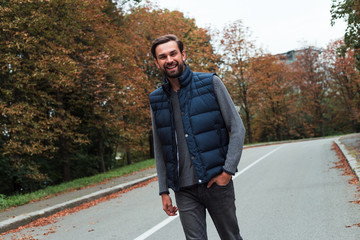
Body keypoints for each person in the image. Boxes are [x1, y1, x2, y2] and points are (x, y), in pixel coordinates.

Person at [149, 34, 246, 240]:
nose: (169, 60)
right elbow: (160, 147)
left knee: (231, 237)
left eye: (173, 53)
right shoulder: (156, 99)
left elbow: (237, 128)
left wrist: (227, 172)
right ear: (157, 62)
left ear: (183, 54)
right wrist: (163, 190)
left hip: (216, 182)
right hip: (184, 190)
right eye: (163, 56)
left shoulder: (210, 83)